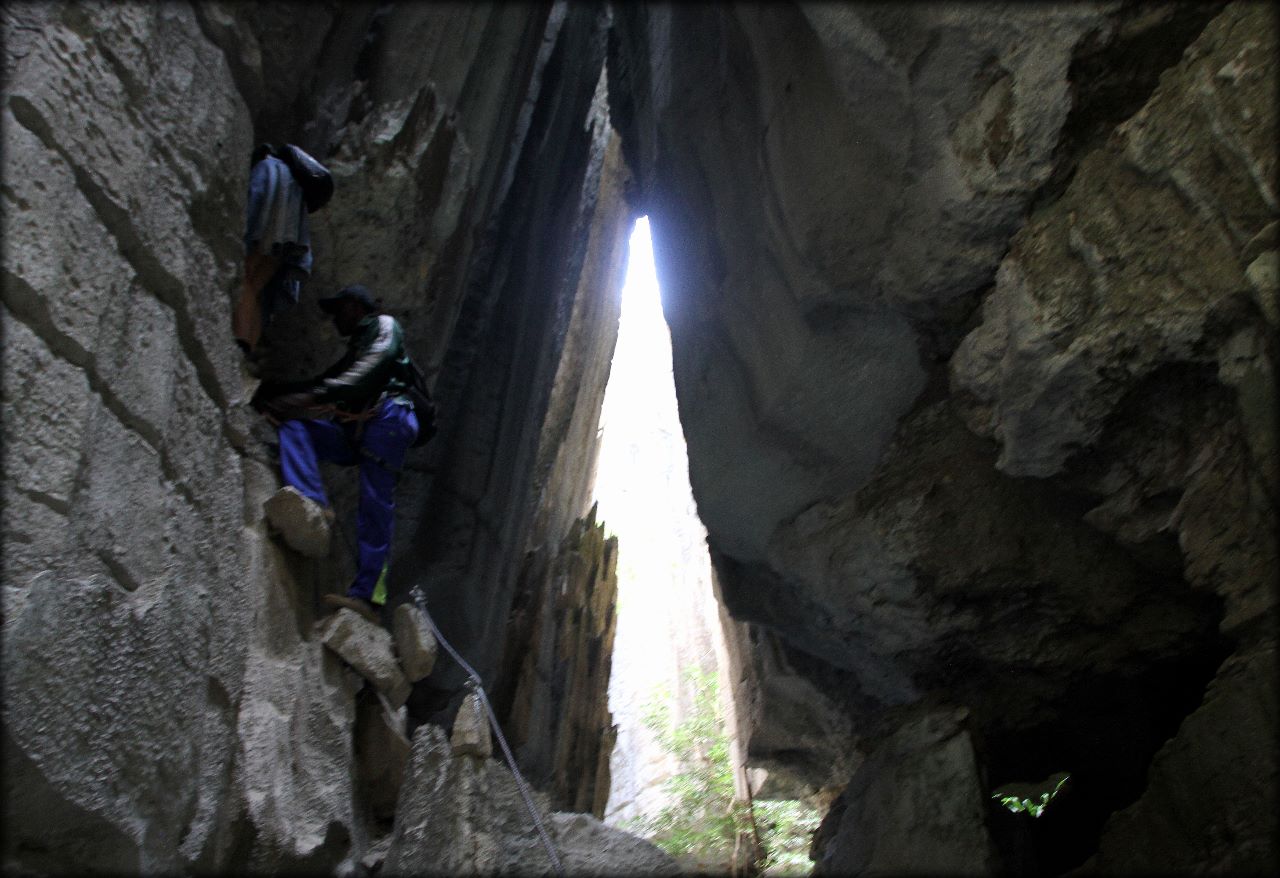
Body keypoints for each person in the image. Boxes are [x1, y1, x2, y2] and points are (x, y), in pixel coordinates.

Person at [258, 284, 419, 624]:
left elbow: (369, 369)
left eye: (339, 310)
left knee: (375, 502)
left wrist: (312, 396)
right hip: (357, 431)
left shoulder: (384, 327)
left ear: (357, 307)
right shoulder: (354, 352)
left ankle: (369, 597)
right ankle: (313, 504)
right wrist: (275, 395)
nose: (334, 319)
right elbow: (326, 381)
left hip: (388, 418)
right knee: (295, 429)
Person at [233, 144, 314, 358]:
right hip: (285, 246)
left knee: (244, 278)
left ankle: (240, 341)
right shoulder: (295, 183)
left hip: (267, 236)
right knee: (258, 290)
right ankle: (250, 346)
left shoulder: (267, 166)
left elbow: (257, 195)